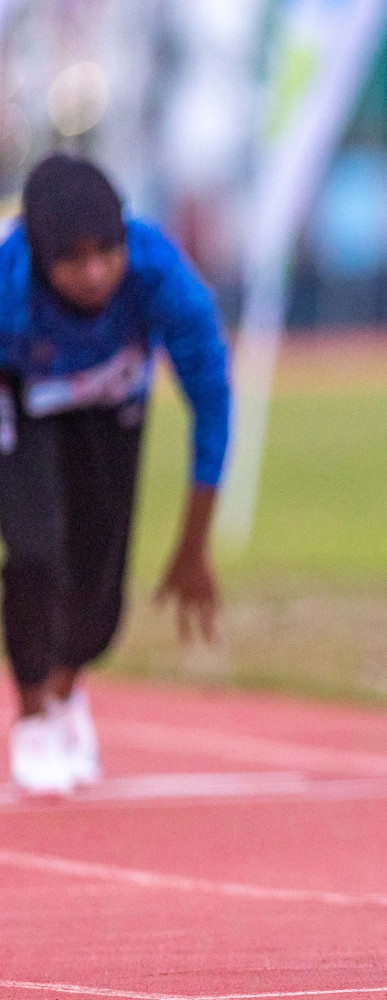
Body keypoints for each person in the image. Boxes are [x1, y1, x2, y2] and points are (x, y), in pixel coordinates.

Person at [0, 153, 230, 794]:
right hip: (22, 401)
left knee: (100, 582)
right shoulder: (6, 284)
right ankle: (34, 714)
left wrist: (193, 546)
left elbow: (211, 404)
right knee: (37, 551)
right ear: (40, 256)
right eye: (74, 261)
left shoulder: (162, 276)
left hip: (110, 410)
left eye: (109, 252)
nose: (96, 273)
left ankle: (69, 684)